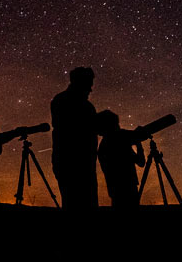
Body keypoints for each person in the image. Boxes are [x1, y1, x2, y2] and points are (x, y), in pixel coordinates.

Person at [50, 66, 99, 209]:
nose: (91, 89)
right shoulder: (67, 102)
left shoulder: (61, 100)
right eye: (88, 84)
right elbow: (70, 128)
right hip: (73, 164)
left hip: (79, 164)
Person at [96, 110, 146, 208]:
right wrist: (138, 143)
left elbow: (141, 162)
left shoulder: (103, 146)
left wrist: (137, 140)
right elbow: (141, 162)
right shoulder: (120, 139)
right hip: (128, 188)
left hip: (115, 190)